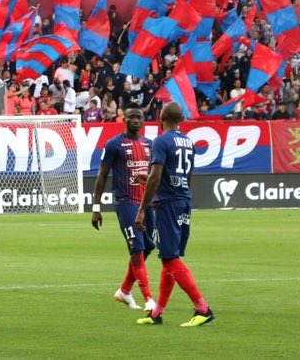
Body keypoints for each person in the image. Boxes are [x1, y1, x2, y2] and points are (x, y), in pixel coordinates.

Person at [135, 102, 214, 327]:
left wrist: (142, 210)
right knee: (168, 258)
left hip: (167, 204)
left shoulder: (161, 141)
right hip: (183, 200)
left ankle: (203, 309)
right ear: (180, 119)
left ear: (161, 117)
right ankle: (156, 313)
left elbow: (155, 176)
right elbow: (187, 174)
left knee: (170, 258)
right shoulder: (188, 141)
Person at [91, 106, 156, 312]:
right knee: (136, 247)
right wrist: (96, 207)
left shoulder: (149, 144)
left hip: (145, 203)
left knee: (148, 247)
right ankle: (148, 299)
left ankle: (124, 290)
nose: (135, 120)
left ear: (143, 121)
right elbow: (102, 175)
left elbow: (154, 175)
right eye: (131, 117)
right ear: (124, 119)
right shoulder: (113, 144)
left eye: (139, 117)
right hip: (126, 202)